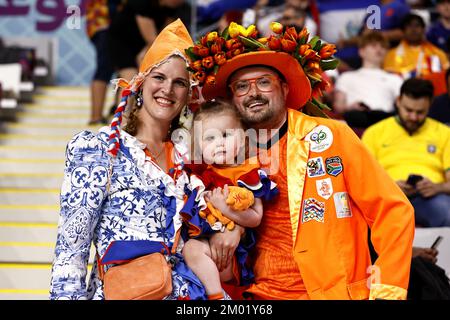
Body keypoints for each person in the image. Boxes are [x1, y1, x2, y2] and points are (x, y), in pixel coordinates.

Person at [186, 21, 415, 299]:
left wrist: (386, 291)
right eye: (242, 87)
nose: (253, 93)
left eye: (263, 82)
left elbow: (392, 211)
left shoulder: (331, 135)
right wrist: (230, 228)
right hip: (257, 294)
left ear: (284, 89)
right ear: (233, 100)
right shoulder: (227, 154)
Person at [49, 19, 208, 300]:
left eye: (179, 82)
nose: (168, 90)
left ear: (189, 94)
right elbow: (71, 249)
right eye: (159, 77)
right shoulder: (100, 148)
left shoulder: (193, 158)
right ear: (140, 81)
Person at [181, 99, 277, 300]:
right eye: (209, 138)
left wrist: (223, 206)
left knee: (192, 249)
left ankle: (218, 297)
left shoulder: (247, 174)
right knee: (188, 249)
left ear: (242, 138)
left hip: (232, 255)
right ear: (198, 145)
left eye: (226, 135)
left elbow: (255, 218)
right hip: (205, 245)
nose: (219, 143)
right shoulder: (200, 176)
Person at [362, 78, 450, 227]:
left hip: (431, 197)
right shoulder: (374, 133)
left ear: (430, 105)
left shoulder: (444, 133)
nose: (414, 117)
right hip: (387, 197)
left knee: (445, 212)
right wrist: (389, 187)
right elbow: (363, 179)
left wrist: (437, 187)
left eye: (420, 112)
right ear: (398, 101)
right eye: (408, 110)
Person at [333, 31, 403, 128]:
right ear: (361, 51)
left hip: (384, 121)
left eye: (383, 47)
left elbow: (403, 106)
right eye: (374, 46)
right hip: (355, 120)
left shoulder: (395, 79)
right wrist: (350, 107)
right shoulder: (346, 77)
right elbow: (338, 107)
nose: (379, 49)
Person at [383, 13, 449, 78]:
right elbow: (390, 79)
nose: (413, 30)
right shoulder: (392, 55)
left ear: (424, 30)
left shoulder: (437, 53)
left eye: (417, 25)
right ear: (403, 31)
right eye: (409, 26)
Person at [85, 0, 115, 125]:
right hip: (104, 24)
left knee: (113, 67)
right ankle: (96, 115)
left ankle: (101, 114)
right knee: (104, 67)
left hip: (103, 24)